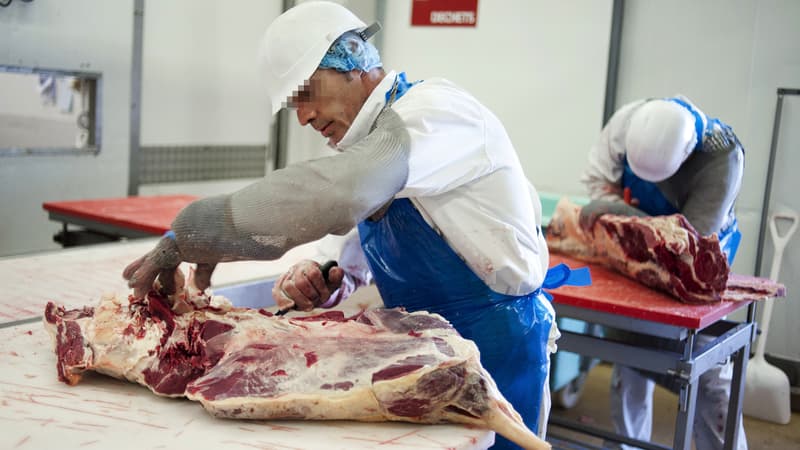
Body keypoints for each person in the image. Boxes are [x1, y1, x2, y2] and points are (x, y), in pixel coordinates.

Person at [123, 2, 588, 448]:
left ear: (352, 59)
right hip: (423, 354)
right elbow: (364, 255)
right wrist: (331, 279)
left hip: (495, 347)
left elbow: (340, 192)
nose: (303, 117)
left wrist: (191, 233)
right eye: (293, 106)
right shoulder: (367, 148)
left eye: (305, 93)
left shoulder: (434, 114)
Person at [580, 95, 746, 450]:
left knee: (709, 376)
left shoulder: (723, 159)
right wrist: (614, 204)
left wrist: (618, 212)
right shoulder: (627, 122)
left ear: (685, 156)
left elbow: (688, 245)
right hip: (633, 265)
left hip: (693, 276)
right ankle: (627, 444)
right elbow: (599, 181)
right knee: (630, 355)